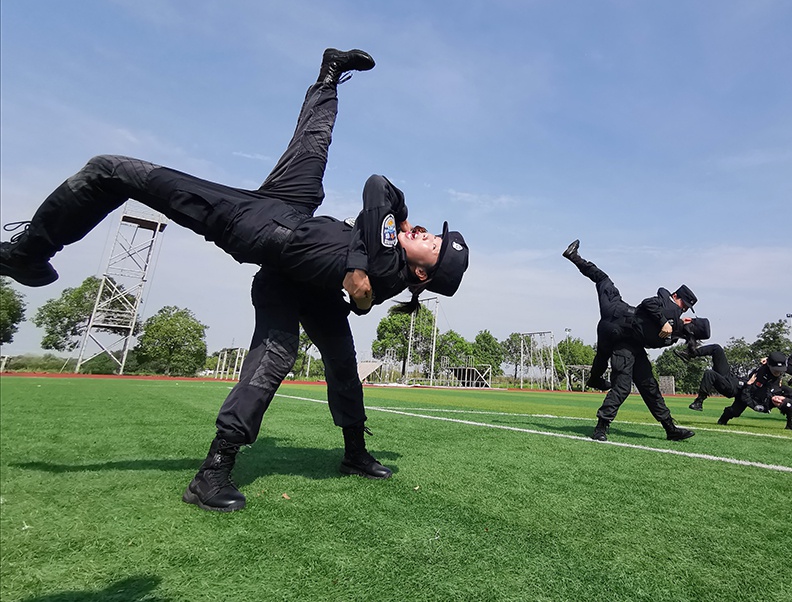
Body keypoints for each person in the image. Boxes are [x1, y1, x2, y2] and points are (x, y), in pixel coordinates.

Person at [1, 48, 471, 512]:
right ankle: (329, 75)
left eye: (431, 243)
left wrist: (367, 252)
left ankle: (216, 468)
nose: (426, 233)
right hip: (295, 210)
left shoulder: (388, 264)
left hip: (262, 230)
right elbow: (383, 191)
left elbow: (374, 187)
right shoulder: (384, 255)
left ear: (423, 272)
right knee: (313, 142)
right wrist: (372, 245)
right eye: (430, 232)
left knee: (111, 170)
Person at [562, 239, 702, 442]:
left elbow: (651, 341)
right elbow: (647, 304)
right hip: (618, 322)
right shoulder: (666, 307)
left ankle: (670, 428)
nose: (684, 309)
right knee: (621, 386)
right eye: (685, 304)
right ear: (676, 296)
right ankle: (601, 426)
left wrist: (670, 335)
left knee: (649, 387)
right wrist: (664, 322)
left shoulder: (673, 321)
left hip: (625, 337)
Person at [714, 351, 792, 431]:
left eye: (780, 403)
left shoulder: (766, 404)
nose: (778, 372)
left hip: (761, 393)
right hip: (753, 389)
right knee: (735, 412)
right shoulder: (762, 372)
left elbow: (746, 397)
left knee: (791, 392)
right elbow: (747, 396)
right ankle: (724, 418)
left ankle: (791, 422)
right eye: (775, 370)